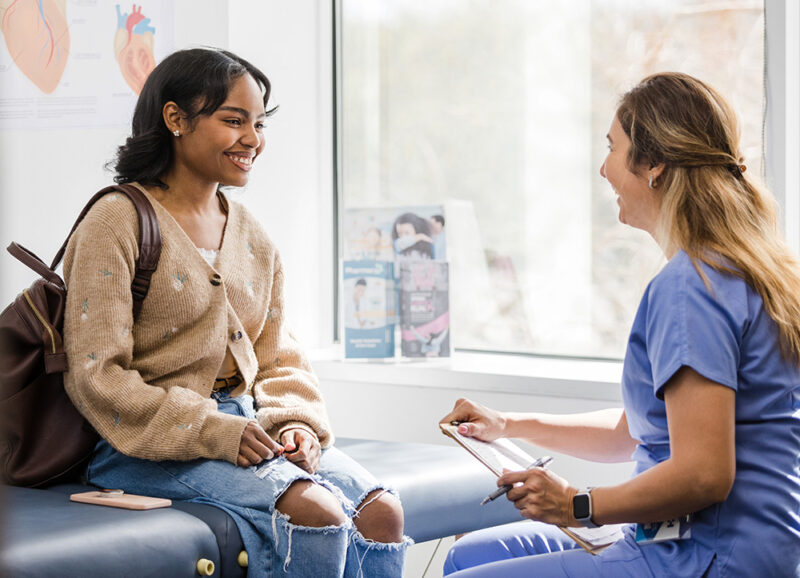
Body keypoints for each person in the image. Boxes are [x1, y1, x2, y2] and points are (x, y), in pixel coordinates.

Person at [62, 48, 409, 577]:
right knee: (315, 511)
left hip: (252, 428)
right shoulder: (116, 220)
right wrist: (211, 429)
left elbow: (278, 356)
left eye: (259, 124)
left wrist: (296, 424)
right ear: (175, 119)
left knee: (383, 512)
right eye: (234, 120)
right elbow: (96, 376)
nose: (253, 139)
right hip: (143, 446)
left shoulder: (251, 233)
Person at [440, 72, 800, 577]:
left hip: (708, 555)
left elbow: (703, 475)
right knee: (470, 555)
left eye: (613, 147)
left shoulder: (691, 286)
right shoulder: (739, 268)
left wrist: (578, 504)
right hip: (733, 543)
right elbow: (637, 432)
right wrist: (509, 425)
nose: (603, 168)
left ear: (654, 165)